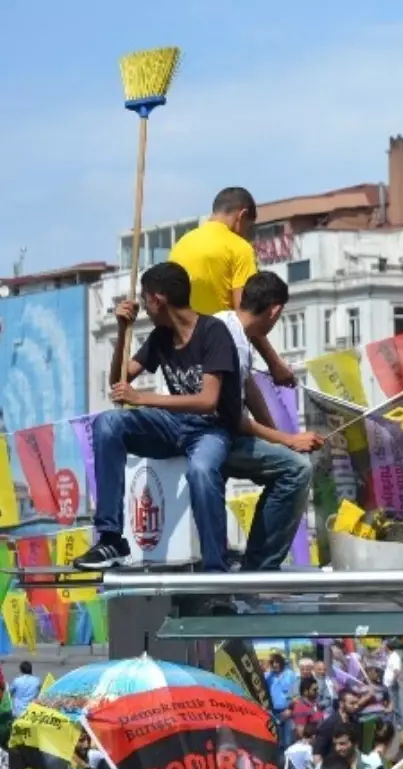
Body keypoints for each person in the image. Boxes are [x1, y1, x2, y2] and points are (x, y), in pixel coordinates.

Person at [76, 261, 242, 571]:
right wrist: (123, 332)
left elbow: (208, 400)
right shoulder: (160, 336)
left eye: (144, 297)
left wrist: (141, 398)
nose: (143, 306)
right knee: (108, 424)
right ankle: (111, 537)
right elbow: (118, 381)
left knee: (201, 471)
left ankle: (215, 568)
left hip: (211, 429)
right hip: (172, 424)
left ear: (158, 298)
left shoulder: (212, 332)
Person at [214, 271, 321, 570]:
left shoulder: (228, 325)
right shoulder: (232, 342)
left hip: (222, 431)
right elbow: (234, 418)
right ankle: (260, 568)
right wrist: (290, 441)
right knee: (297, 470)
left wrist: (278, 439)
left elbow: (248, 388)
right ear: (274, 310)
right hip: (214, 437)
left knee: (287, 459)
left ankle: (257, 562)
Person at [168, 187, 292, 386]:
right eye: (248, 228)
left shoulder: (180, 245)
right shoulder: (238, 248)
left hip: (181, 361)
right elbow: (249, 312)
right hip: (221, 355)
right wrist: (275, 364)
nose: (246, 235)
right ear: (241, 215)